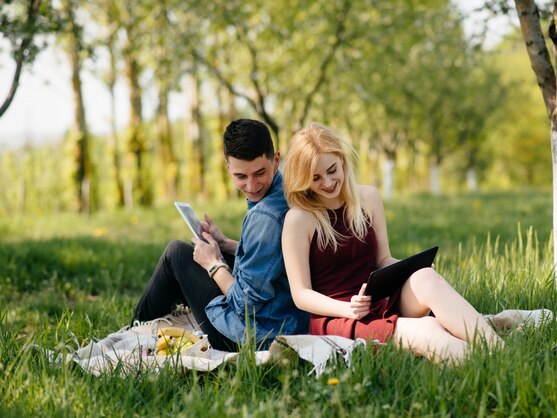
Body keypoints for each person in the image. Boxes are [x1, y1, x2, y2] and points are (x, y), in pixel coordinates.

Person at [281, 124, 503, 363]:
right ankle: (490, 366)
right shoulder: (299, 219)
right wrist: (347, 309)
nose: (327, 182)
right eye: (315, 178)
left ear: (342, 160)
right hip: (340, 316)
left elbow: (383, 260)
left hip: (379, 297)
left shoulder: (368, 198)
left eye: (332, 170)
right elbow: (301, 294)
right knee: (428, 329)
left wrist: (412, 270)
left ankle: (503, 352)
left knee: (425, 277)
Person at [132, 119, 309, 351]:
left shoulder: (265, 216)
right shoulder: (287, 188)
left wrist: (214, 264)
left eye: (259, 173)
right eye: (241, 177)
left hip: (252, 336)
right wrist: (225, 244)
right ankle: (157, 323)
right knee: (194, 256)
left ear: (275, 160)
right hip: (287, 318)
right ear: (228, 167)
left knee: (176, 253)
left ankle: (135, 330)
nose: (252, 185)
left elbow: (245, 306)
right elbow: (276, 257)